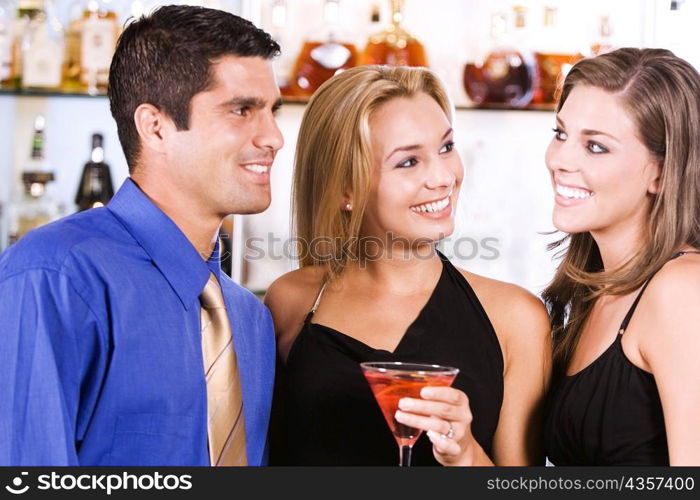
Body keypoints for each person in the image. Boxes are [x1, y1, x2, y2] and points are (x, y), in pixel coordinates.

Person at [0, 5, 284, 466]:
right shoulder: (55, 276)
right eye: (241, 110)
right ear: (156, 126)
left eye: (271, 109)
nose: (273, 136)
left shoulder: (250, 320)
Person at [265, 66, 551, 466]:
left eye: (446, 147)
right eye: (408, 162)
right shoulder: (290, 302)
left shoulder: (516, 319)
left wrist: (465, 453)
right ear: (346, 188)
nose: (442, 177)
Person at [543, 48, 700, 465]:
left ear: (662, 172)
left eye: (595, 147)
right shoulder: (593, 289)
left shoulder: (682, 291)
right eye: (561, 134)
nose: (560, 160)